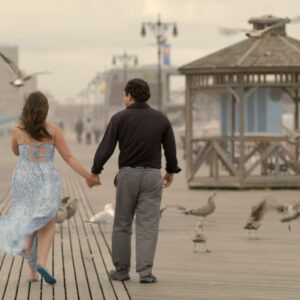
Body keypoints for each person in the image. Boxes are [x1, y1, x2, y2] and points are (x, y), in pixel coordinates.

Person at [0, 91, 100, 284]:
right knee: (48, 221)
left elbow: (15, 151)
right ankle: (43, 262)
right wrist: (88, 176)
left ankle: (31, 274)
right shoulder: (53, 130)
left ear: (26, 109)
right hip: (46, 177)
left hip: (24, 177)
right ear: (45, 110)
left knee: (30, 223)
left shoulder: (17, 129)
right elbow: (68, 157)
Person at [91, 78, 181, 284]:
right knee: (148, 225)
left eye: (124, 95)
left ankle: (122, 270)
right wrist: (170, 171)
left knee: (122, 223)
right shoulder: (161, 119)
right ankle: (146, 272)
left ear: (130, 96)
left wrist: (96, 170)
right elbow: (170, 149)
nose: (124, 98)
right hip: (152, 176)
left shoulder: (119, 119)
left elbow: (106, 148)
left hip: (128, 176)